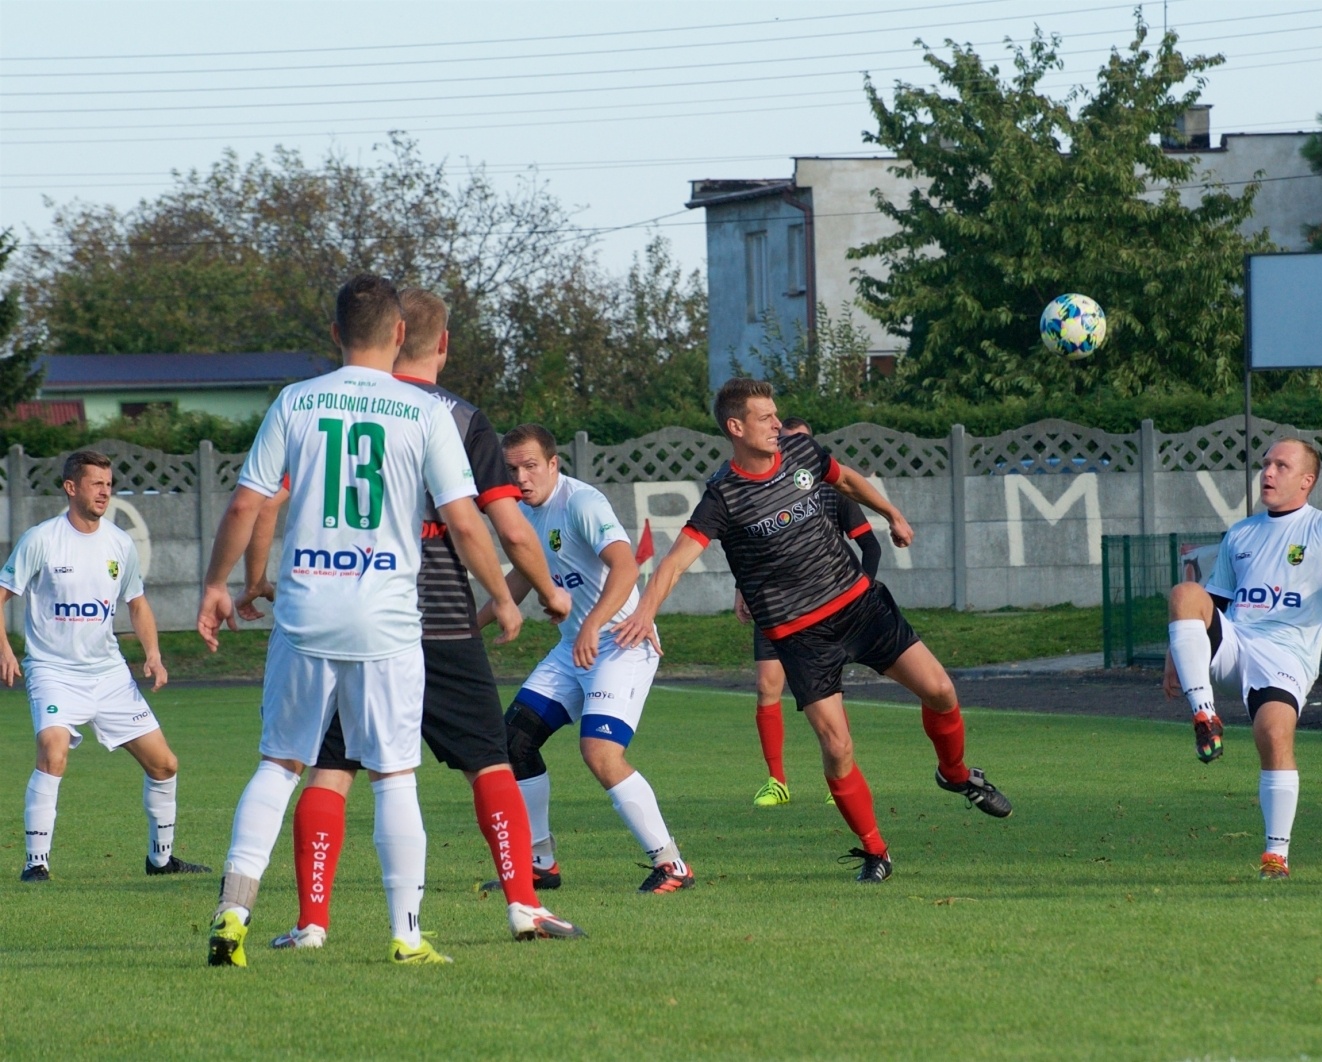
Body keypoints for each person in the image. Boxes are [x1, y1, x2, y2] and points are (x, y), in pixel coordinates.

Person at [232, 288, 583, 950]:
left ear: (389, 337)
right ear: (441, 344)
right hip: (441, 614)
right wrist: (535, 592)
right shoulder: (454, 418)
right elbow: (502, 526)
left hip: (340, 610)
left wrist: (253, 581)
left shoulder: (322, 403)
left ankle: (312, 921)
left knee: (329, 766)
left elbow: (264, 503)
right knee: (488, 760)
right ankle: (524, 906)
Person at [614, 378, 1012, 886]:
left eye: (776, 415)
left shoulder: (800, 449)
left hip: (859, 606)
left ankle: (955, 775)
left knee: (940, 691)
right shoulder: (723, 496)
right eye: (765, 418)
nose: (777, 424)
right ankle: (877, 853)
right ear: (736, 427)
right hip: (802, 636)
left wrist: (892, 513)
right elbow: (672, 564)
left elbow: (846, 480)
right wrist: (646, 610)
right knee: (837, 746)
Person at [1164, 438, 1322, 880]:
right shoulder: (1242, 532)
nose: (1267, 473)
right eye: (1266, 464)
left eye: (1281, 466)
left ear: (1307, 481)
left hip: (1286, 656)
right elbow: (1210, 599)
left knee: (1273, 735)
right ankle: (1205, 716)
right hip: (1235, 641)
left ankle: (1276, 856)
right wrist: (1173, 655)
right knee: (1183, 592)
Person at [486, 423, 693, 895]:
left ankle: (671, 864)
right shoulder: (521, 511)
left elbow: (625, 564)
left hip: (620, 643)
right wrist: (467, 626)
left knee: (600, 752)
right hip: (573, 649)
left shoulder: (581, 502)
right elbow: (522, 576)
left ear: (554, 464)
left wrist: (592, 624)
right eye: (513, 468)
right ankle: (540, 863)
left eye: (531, 466)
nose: (521, 477)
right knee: (512, 741)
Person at [0, 450, 210, 883]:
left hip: (109, 675)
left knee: (165, 765)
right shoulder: (41, 540)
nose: (105, 491)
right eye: (96, 483)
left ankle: (161, 860)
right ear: (71, 488)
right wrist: (4, 647)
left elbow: (137, 603)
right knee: (53, 751)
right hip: (53, 671)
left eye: (109, 483)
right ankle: (35, 863)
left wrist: (152, 654)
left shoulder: (118, 542)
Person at [739, 415, 882, 809]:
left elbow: (871, 546)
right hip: (775, 608)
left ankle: (840, 781)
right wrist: (741, 588)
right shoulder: (763, 494)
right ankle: (776, 781)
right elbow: (749, 550)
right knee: (767, 686)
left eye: (800, 442)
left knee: (830, 698)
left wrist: (862, 594)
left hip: (827, 610)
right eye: (786, 440)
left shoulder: (834, 493)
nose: (791, 447)